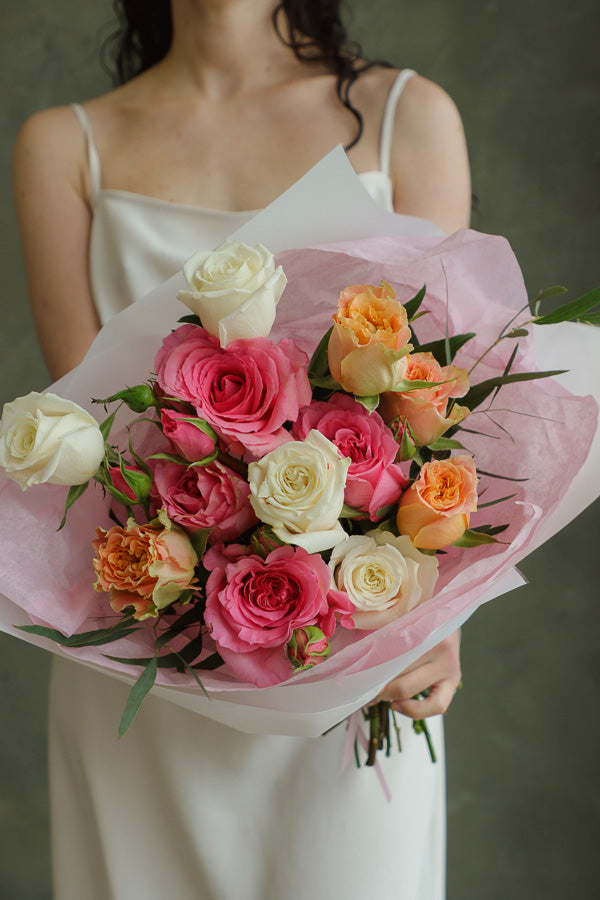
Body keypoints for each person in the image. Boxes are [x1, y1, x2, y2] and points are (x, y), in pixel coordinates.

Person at [13, 1, 468, 897]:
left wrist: (435, 620)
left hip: (354, 666)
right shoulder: (64, 146)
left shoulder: (409, 116)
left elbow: (437, 410)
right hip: (146, 656)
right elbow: (92, 448)